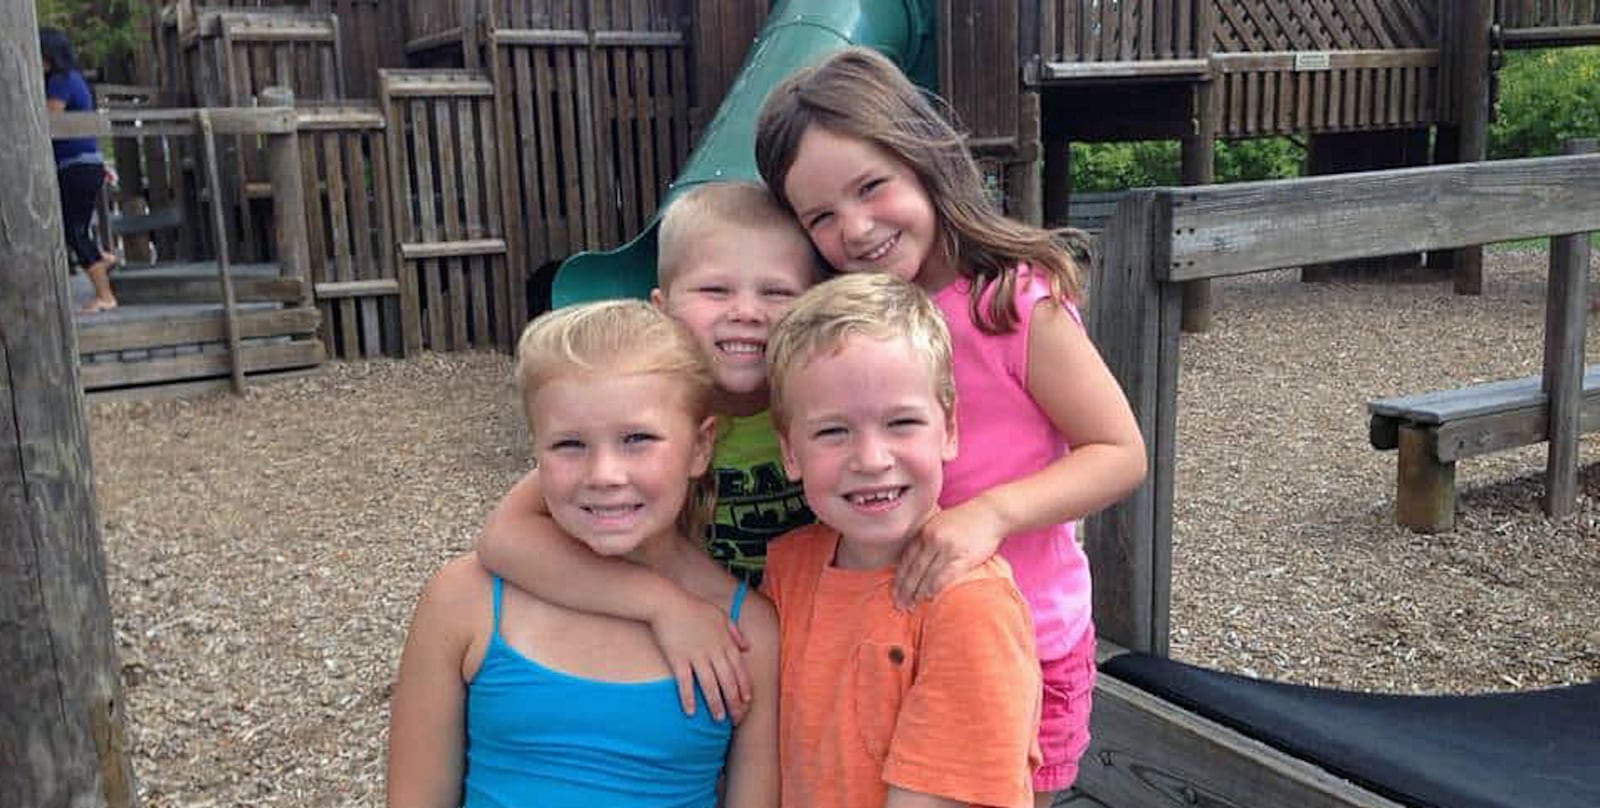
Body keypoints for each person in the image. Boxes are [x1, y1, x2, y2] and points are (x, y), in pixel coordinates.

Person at [755, 47, 1148, 804]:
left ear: (923, 159)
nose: (858, 228)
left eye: (872, 187)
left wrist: (990, 514)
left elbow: (1120, 451)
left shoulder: (1010, 304)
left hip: (1018, 632)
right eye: (823, 217)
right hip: (896, 622)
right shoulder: (842, 329)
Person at [387, 301, 780, 808]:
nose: (604, 474)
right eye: (569, 444)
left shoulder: (747, 632)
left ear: (700, 447)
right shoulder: (463, 600)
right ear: (535, 452)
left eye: (637, 439)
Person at [474, 182, 820, 722]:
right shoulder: (642, 418)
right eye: (715, 291)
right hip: (687, 652)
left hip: (804, 655)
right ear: (660, 307)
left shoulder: (822, 411)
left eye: (776, 293)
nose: (747, 312)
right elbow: (503, 537)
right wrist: (662, 605)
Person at [763, 272, 1042, 808]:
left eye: (901, 422)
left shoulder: (968, 605)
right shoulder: (789, 566)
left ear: (950, 429)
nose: (871, 459)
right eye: (832, 431)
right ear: (789, 452)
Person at [41, 27, 118, 313]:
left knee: (74, 231)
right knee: (72, 227)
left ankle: (105, 295)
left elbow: (47, 119)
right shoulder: (75, 78)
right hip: (86, 163)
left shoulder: (60, 80)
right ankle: (102, 258)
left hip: (75, 165)